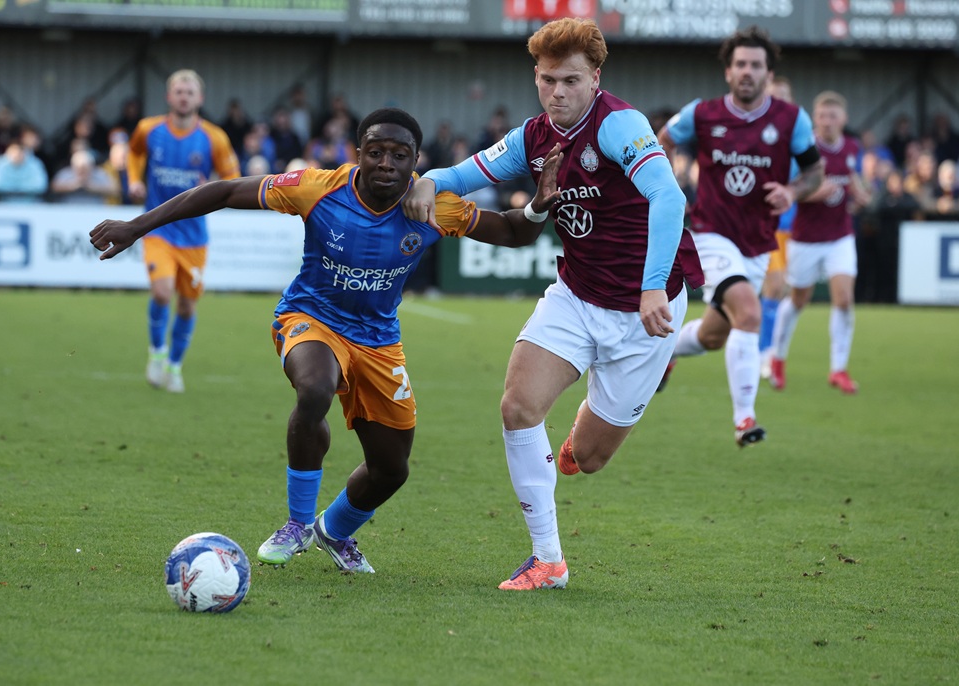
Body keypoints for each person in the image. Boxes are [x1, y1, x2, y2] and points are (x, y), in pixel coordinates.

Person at [91, 107, 564, 575]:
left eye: (399, 155)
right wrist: (136, 226)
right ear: (358, 154)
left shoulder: (433, 205)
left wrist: (540, 203)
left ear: (416, 161)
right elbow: (225, 190)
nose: (386, 163)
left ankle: (333, 530)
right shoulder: (318, 188)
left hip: (379, 342)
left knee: (391, 470)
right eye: (375, 152)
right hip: (310, 318)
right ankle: (296, 523)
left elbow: (511, 232)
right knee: (314, 388)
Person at [403, 17, 703, 591]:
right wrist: (429, 180)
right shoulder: (532, 137)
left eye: (569, 80)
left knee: (587, 459)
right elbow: (466, 174)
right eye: (546, 80)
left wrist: (650, 286)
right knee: (518, 406)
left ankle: (624, 395)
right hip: (576, 295)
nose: (557, 92)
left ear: (595, 78)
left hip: (648, 309)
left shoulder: (620, 126)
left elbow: (668, 196)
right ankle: (548, 560)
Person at [656, 25, 823, 446]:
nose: (748, 71)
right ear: (728, 72)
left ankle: (667, 353)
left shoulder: (791, 120)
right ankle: (745, 421)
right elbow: (665, 140)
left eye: (756, 65)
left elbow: (815, 171)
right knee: (749, 312)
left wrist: (792, 190)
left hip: (757, 243)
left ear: (768, 74)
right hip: (709, 234)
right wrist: (670, 185)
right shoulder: (702, 113)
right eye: (741, 64)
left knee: (716, 334)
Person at [127, 69, 240, 393]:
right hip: (157, 227)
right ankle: (156, 352)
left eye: (189, 92)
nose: (184, 96)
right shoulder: (148, 129)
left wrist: (216, 187)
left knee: (187, 305)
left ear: (199, 99)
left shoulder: (214, 137)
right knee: (162, 292)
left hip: (193, 236)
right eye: (178, 91)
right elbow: (134, 155)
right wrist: (134, 181)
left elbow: (233, 176)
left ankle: (175, 366)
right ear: (169, 97)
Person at [769, 91, 871, 394]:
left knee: (844, 299)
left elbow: (851, 177)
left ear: (844, 119)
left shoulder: (851, 147)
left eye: (833, 116)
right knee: (799, 299)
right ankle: (778, 358)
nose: (827, 122)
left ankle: (838, 369)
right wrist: (815, 193)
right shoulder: (806, 148)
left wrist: (860, 193)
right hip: (806, 238)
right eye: (822, 116)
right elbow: (793, 191)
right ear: (816, 118)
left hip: (840, 236)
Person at [758, 75, 796, 379]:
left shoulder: (797, 135)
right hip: (764, 225)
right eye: (774, 95)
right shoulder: (756, 134)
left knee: (779, 289)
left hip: (793, 226)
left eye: (783, 96)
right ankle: (763, 354)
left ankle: (764, 350)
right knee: (774, 285)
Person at [50, 149, 118, 204]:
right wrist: (73, 186)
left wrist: (93, 187)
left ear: (91, 166)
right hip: (69, 210)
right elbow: (54, 188)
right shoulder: (65, 174)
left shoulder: (100, 174)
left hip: (96, 211)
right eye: (79, 169)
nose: (82, 172)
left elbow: (114, 190)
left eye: (85, 169)